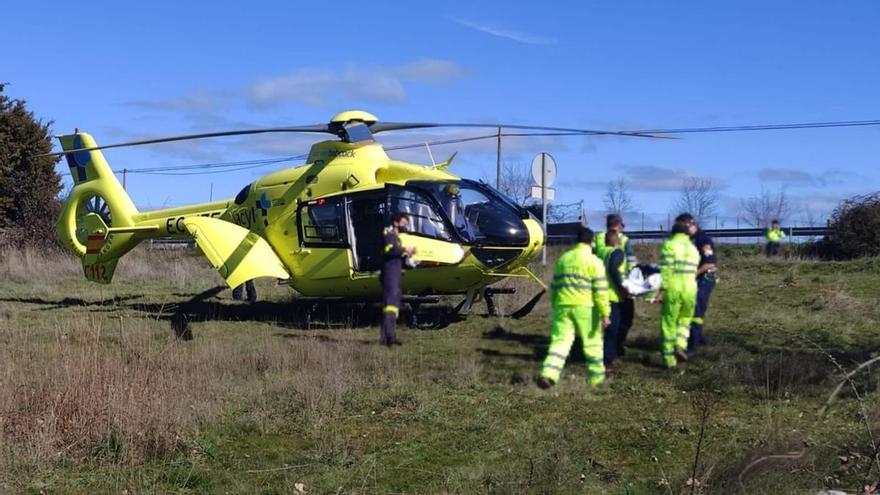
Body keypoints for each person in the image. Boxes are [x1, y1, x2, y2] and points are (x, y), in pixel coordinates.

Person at [538, 226, 611, 388]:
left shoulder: (564, 259)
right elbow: (600, 291)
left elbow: (555, 286)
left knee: (560, 342)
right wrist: (605, 313)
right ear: (591, 243)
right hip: (586, 307)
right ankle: (596, 379)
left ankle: (549, 373)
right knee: (592, 343)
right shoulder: (594, 262)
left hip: (563, 306)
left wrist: (555, 305)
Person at [656, 214, 700, 369]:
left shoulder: (670, 246)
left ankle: (669, 360)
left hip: (674, 288)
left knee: (669, 323)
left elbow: (666, 271)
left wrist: (661, 290)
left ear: (673, 233)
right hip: (690, 289)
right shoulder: (693, 249)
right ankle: (680, 345)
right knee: (685, 319)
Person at [593, 213, 636, 355]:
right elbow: (630, 262)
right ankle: (614, 348)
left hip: (599, 285)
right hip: (619, 286)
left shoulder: (598, 238)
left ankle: (602, 347)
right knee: (624, 318)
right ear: (618, 225)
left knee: (602, 319)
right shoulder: (623, 240)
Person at [380, 213, 415, 347]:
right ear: (395, 223)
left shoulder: (396, 237)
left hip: (395, 274)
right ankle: (388, 338)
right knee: (390, 306)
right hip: (389, 274)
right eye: (403, 223)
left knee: (394, 307)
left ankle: (391, 336)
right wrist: (405, 250)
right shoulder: (388, 234)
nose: (405, 226)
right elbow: (389, 250)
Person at [687, 218, 717, 356]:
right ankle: (698, 338)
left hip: (704, 279)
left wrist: (695, 274)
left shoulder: (702, 240)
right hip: (699, 280)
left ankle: (693, 345)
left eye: (687, 227)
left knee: (696, 310)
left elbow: (710, 263)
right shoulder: (691, 240)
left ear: (694, 226)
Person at [602, 231, 628, 368]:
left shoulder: (603, 253)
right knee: (613, 330)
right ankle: (608, 359)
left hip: (603, 294)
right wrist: (622, 288)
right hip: (613, 295)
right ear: (616, 240)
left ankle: (607, 356)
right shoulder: (617, 253)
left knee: (607, 329)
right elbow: (613, 269)